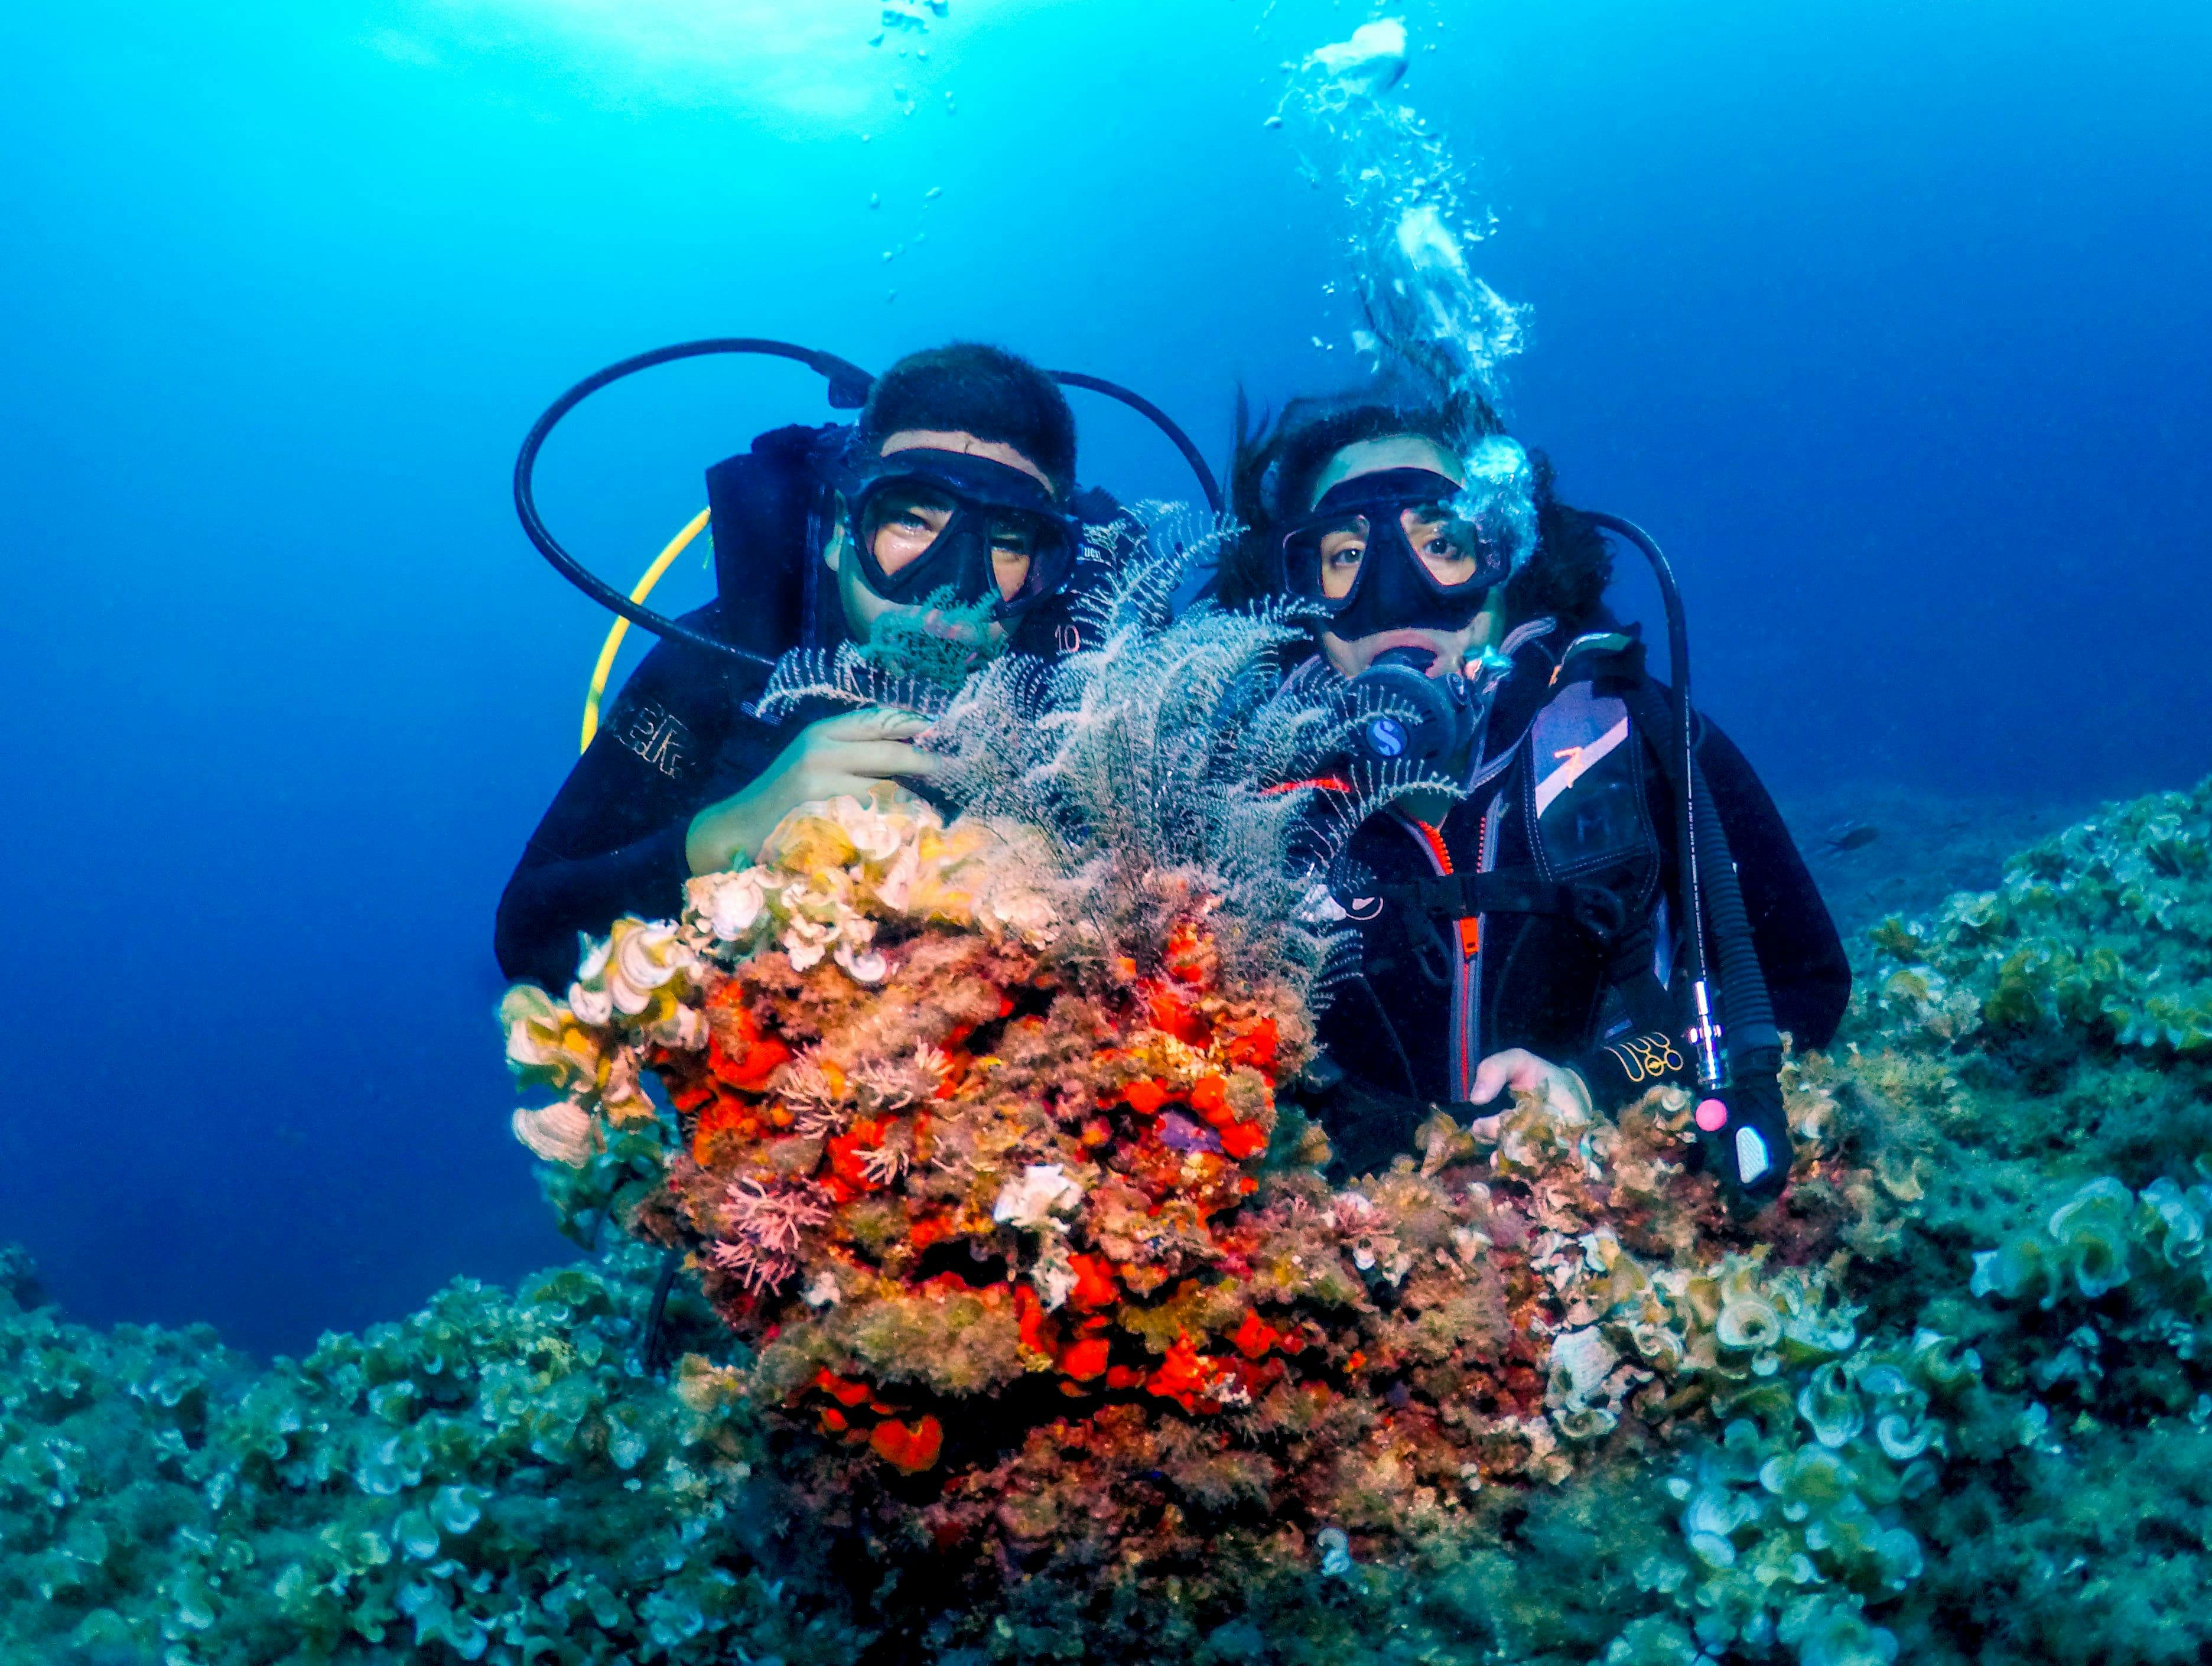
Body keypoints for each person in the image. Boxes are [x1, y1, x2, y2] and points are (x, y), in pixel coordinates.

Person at [1218, 391, 1850, 1202]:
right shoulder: (1239, 794)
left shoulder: (1641, 738)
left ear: (1505, 561)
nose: (1391, 593)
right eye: (1344, 556)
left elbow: (1804, 987)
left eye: (1440, 542)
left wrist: (1606, 1082)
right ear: (1298, 589)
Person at [495, 342, 1103, 993]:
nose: (948, 591)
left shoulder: (1098, 693)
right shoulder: (723, 657)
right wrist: (731, 831)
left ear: (1047, 566)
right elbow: (531, 935)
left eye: (1007, 541)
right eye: (912, 519)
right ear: (844, 528)